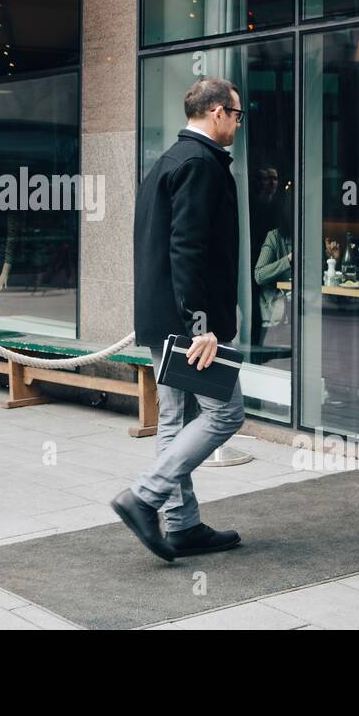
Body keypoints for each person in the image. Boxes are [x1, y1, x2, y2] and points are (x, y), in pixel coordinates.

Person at [112, 77, 245, 561]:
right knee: (226, 414)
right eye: (236, 114)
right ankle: (145, 497)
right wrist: (201, 325)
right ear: (216, 112)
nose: (237, 123)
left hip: (163, 317)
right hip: (190, 325)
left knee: (175, 418)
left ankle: (182, 524)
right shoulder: (199, 164)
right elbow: (187, 248)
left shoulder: (169, 160)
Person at [253, 195, 293, 337]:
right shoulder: (275, 237)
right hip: (278, 309)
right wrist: (287, 260)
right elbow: (259, 275)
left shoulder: (311, 236)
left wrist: (334, 260)